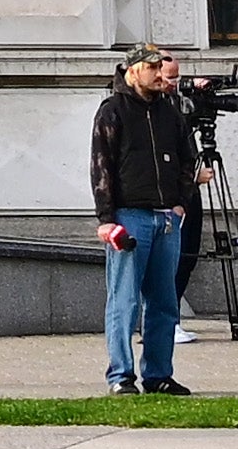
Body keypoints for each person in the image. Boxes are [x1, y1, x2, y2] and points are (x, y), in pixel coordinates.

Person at [89, 47, 218, 398]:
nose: (160, 75)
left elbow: (187, 160)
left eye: (161, 68)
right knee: (124, 301)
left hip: (165, 218)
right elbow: (101, 167)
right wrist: (106, 219)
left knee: (164, 303)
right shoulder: (113, 111)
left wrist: (179, 202)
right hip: (129, 217)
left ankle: (159, 374)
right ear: (132, 72)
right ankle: (121, 375)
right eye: (152, 68)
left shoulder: (169, 111)